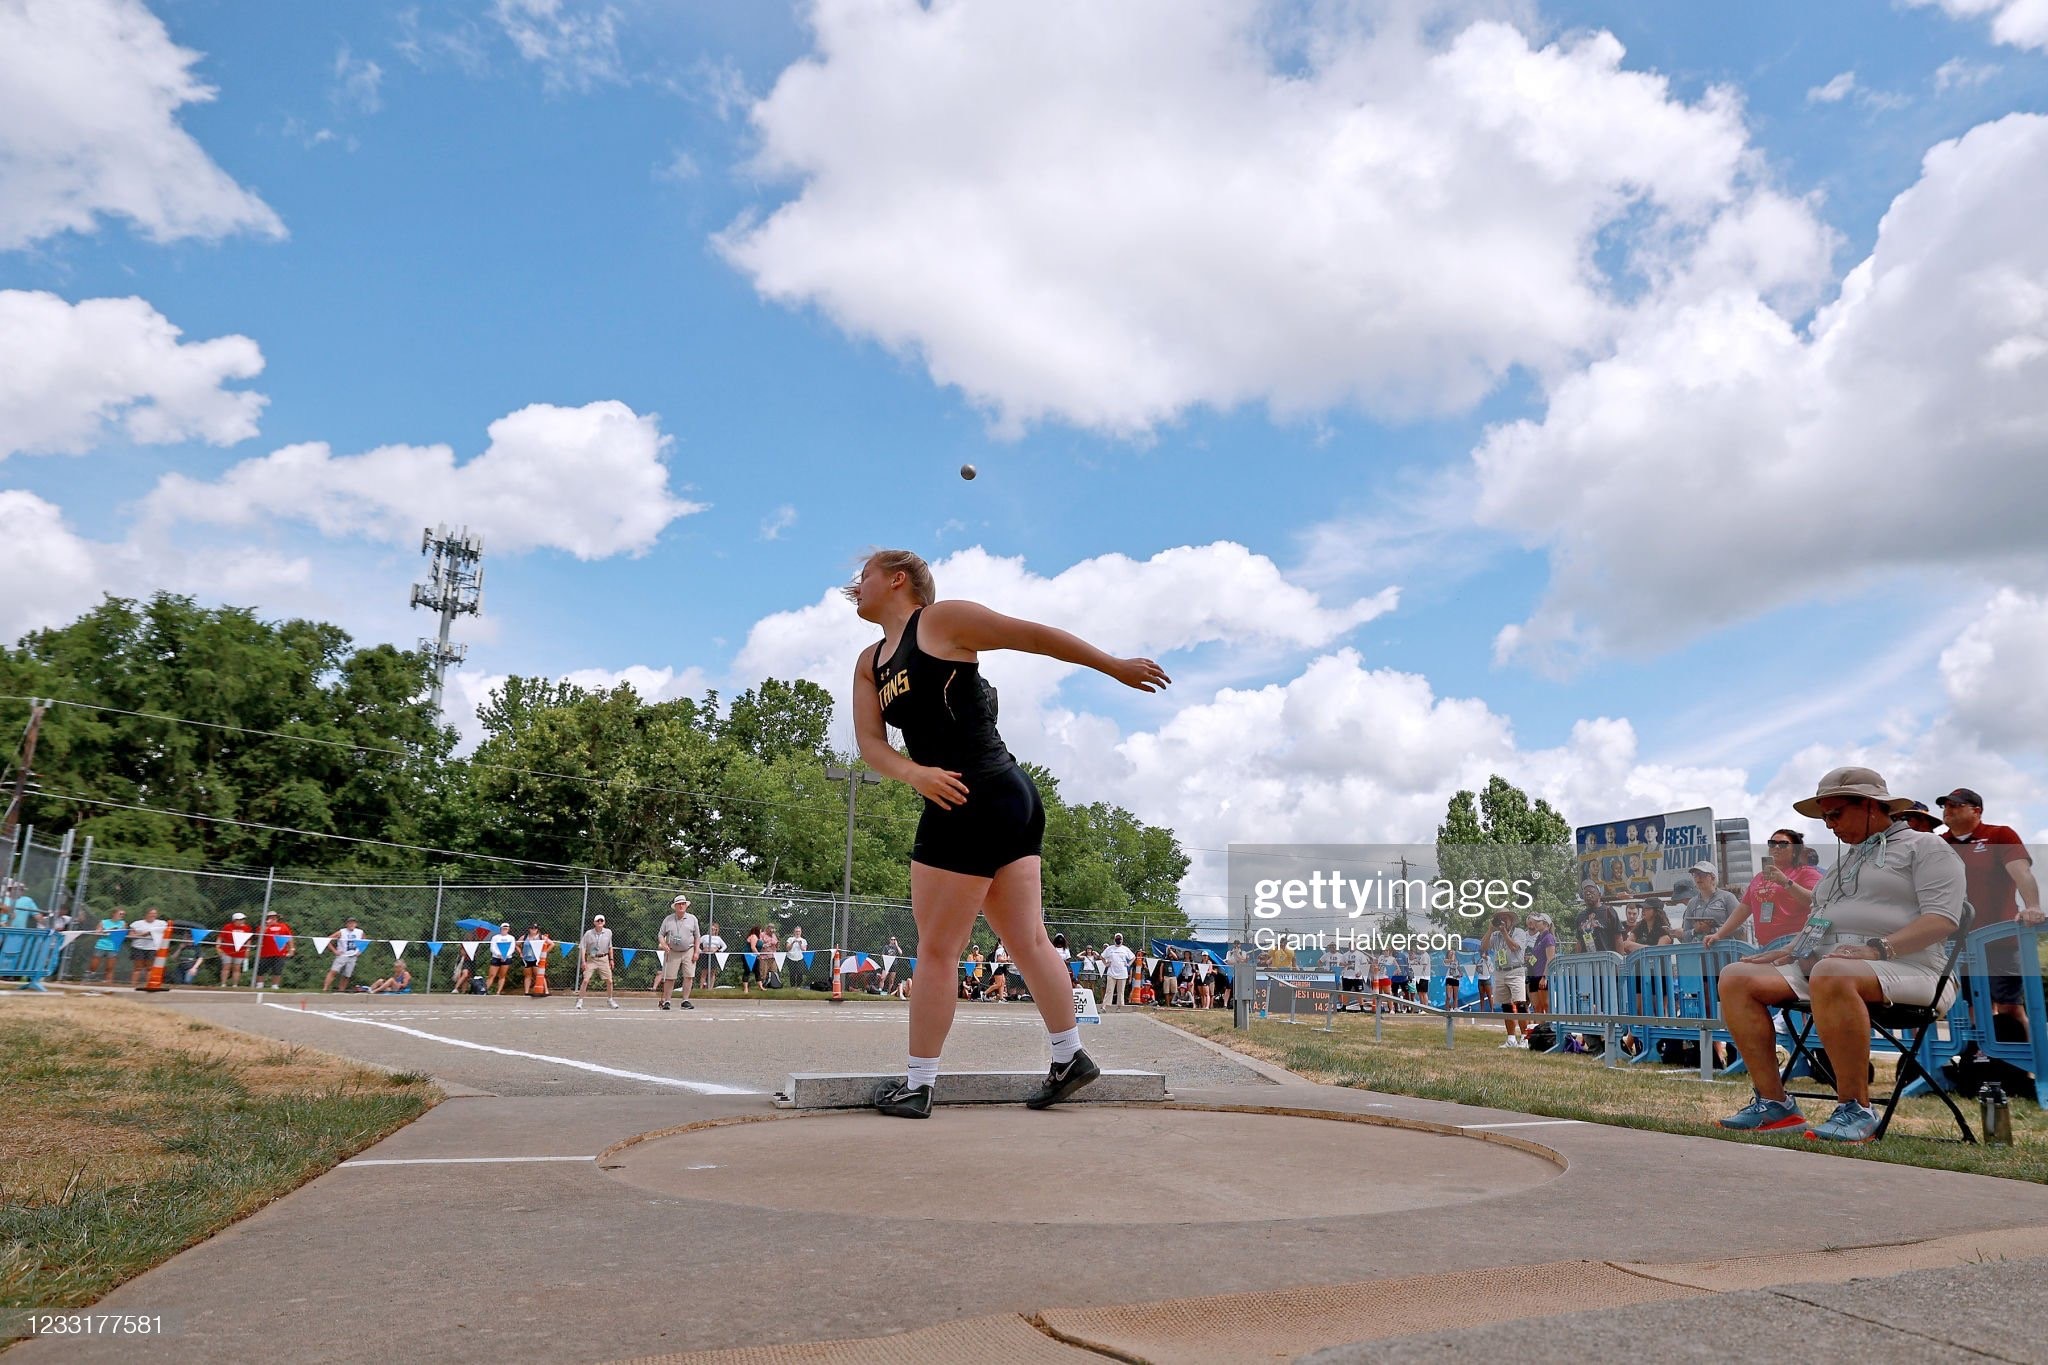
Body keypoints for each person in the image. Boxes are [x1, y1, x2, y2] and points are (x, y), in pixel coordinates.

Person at [847, 549, 1168, 1116]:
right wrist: (913, 773)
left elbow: (1034, 636)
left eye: (865, 574)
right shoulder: (870, 663)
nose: (856, 583)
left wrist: (1114, 666)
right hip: (992, 795)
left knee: (938, 951)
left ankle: (919, 1086)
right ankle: (1070, 1056)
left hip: (975, 794)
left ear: (898, 579)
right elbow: (872, 744)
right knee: (1028, 940)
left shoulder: (940, 621)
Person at [1718, 766, 1967, 1143]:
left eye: (1836, 814)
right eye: (1825, 817)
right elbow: (1818, 924)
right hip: (1834, 970)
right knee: (1736, 977)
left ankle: (1857, 1107)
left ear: (1870, 805)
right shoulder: (1842, 864)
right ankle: (1775, 1104)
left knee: (1832, 971)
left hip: (1913, 969)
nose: (1830, 825)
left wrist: (1878, 948)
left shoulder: (1926, 847)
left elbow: (1943, 920)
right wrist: (1789, 952)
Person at [1938, 787, 2042, 1041]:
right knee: (1972, 1007)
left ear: (1977, 811)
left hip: (1999, 940)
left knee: (2010, 1006)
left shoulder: (1999, 834)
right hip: (1957, 943)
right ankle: (1982, 1063)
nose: (1948, 810)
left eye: (1956, 805)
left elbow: (2021, 872)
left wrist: (2033, 906)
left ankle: (2026, 1066)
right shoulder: (1940, 843)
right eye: (1945, 806)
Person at [1713, 830, 1822, 949]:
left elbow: (1817, 902)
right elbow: (1744, 908)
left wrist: (1786, 882)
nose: (1776, 847)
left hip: (1795, 944)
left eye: (1783, 844)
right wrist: (1719, 934)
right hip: (1766, 945)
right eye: (1772, 843)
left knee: (1735, 968)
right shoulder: (1760, 877)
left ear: (1795, 852)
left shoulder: (1807, 873)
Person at [1485, 912, 1531, 1047]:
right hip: (1500, 971)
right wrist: (1489, 930)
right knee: (1506, 1006)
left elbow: (1514, 947)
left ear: (1511, 920)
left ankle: (1525, 1038)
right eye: (1500, 918)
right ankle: (1511, 1039)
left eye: (1505, 918)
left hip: (1515, 970)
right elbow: (1484, 947)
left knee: (1521, 1004)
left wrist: (1505, 933)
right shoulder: (1495, 935)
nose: (1502, 921)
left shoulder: (1519, 932)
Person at [656, 894, 701, 1011]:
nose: (681, 906)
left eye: (683, 904)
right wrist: (664, 945)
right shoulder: (668, 919)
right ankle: (667, 1001)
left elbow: (697, 936)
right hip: (672, 951)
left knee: (689, 976)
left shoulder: (693, 919)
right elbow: (661, 935)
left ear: (686, 905)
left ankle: (685, 1000)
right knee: (670, 977)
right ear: (675, 906)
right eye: (679, 904)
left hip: (689, 950)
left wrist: (696, 952)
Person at [1678, 864, 1740, 942]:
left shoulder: (1728, 897)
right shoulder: (1692, 903)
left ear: (1713, 877)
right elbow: (1685, 935)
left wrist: (1713, 930)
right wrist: (1695, 931)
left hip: (1725, 950)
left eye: (1702, 874)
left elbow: (1741, 928)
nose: (1698, 877)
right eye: (1695, 875)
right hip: (1700, 951)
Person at [577, 913, 619, 1010]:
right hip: (592, 958)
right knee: (586, 979)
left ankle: (610, 999)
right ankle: (580, 1000)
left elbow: (610, 947)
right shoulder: (588, 933)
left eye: (601, 921)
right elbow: (583, 947)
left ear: (604, 922)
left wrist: (611, 959)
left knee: (609, 980)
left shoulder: (608, 932)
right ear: (594, 922)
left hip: (604, 958)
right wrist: (583, 961)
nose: (600, 922)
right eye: (598, 921)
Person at [125, 907, 170, 985]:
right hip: (138, 947)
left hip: (152, 948)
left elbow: (165, 930)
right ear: (146, 914)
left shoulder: (161, 923)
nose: (153, 915)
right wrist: (143, 934)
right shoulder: (137, 924)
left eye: (155, 914)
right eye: (151, 913)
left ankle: (149, 984)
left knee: (149, 968)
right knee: (138, 968)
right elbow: (131, 935)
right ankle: (132, 984)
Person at [1526, 912, 1556, 1019]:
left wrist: (1544, 976)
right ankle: (1539, 1030)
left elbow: (1550, 959)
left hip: (1541, 976)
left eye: (1538, 921)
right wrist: (1530, 959)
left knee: (1546, 1005)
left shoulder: (1548, 938)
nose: (1536, 923)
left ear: (1546, 924)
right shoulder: (1539, 938)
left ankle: (1549, 1029)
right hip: (1534, 975)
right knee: (1537, 1006)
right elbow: (1537, 957)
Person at [325, 917, 367, 992]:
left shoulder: (360, 932)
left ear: (356, 924)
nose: (352, 924)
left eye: (353, 923)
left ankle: (341, 991)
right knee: (334, 971)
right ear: (346, 924)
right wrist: (334, 951)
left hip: (353, 956)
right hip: (342, 956)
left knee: (347, 975)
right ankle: (325, 989)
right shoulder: (341, 932)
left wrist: (360, 951)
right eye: (350, 923)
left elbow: (365, 941)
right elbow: (327, 940)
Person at [255, 911, 294, 990]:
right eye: (270, 917)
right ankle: (260, 984)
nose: (272, 918)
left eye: (274, 917)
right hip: (265, 952)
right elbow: (258, 936)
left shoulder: (283, 926)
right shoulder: (263, 927)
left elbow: (289, 937)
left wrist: (292, 948)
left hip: (280, 952)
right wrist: (266, 926)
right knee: (261, 969)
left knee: (277, 969)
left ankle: (275, 985)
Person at [1101, 932, 1136, 1009]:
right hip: (1111, 973)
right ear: (1114, 939)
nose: (1118, 940)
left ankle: (1120, 1007)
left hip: (1122, 973)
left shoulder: (1125, 949)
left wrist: (1128, 964)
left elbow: (1133, 957)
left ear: (1122, 940)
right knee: (1109, 990)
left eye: (1119, 939)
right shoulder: (1109, 948)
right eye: (1117, 938)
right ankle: (1105, 1006)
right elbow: (1102, 956)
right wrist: (1106, 964)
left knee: (1121, 992)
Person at [216, 911, 249, 987]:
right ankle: (223, 984)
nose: (242, 921)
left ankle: (235, 984)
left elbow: (248, 940)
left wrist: (247, 949)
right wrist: (218, 947)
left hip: (240, 951)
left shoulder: (246, 928)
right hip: (227, 950)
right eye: (240, 919)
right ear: (235, 920)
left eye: (243, 919)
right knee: (226, 967)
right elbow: (220, 937)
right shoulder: (228, 927)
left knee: (237, 968)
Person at [486, 922, 518, 995]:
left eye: (506, 929)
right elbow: (492, 948)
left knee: (502, 975)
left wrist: (505, 956)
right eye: (503, 928)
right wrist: (499, 955)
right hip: (496, 958)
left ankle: (498, 992)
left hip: (506, 958)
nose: (505, 930)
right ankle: (485, 990)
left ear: (508, 929)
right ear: (500, 929)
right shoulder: (495, 937)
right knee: (491, 975)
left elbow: (512, 949)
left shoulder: (511, 938)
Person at [699, 922, 726, 990]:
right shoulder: (705, 937)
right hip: (706, 955)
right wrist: (701, 951)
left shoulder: (718, 938)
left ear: (716, 930)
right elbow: (697, 943)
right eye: (712, 929)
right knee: (704, 972)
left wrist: (719, 951)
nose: (713, 930)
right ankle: (701, 988)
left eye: (714, 929)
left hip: (714, 955)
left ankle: (710, 988)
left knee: (713, 972)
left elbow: (724, 946)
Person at [785, 924, 808, 989]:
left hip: (800, 958)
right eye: (796, 931)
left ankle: (798, 986)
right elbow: (787, 949)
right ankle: (792, 986)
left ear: (801, 932)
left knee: (800, 973)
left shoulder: (803, 940)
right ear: (794, 932)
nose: (797, 933)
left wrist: (800, 944)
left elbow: (804, 949)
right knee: (792, 973)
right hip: (791, 958)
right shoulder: (790, 939)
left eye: (799, 931)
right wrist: (792, 943)